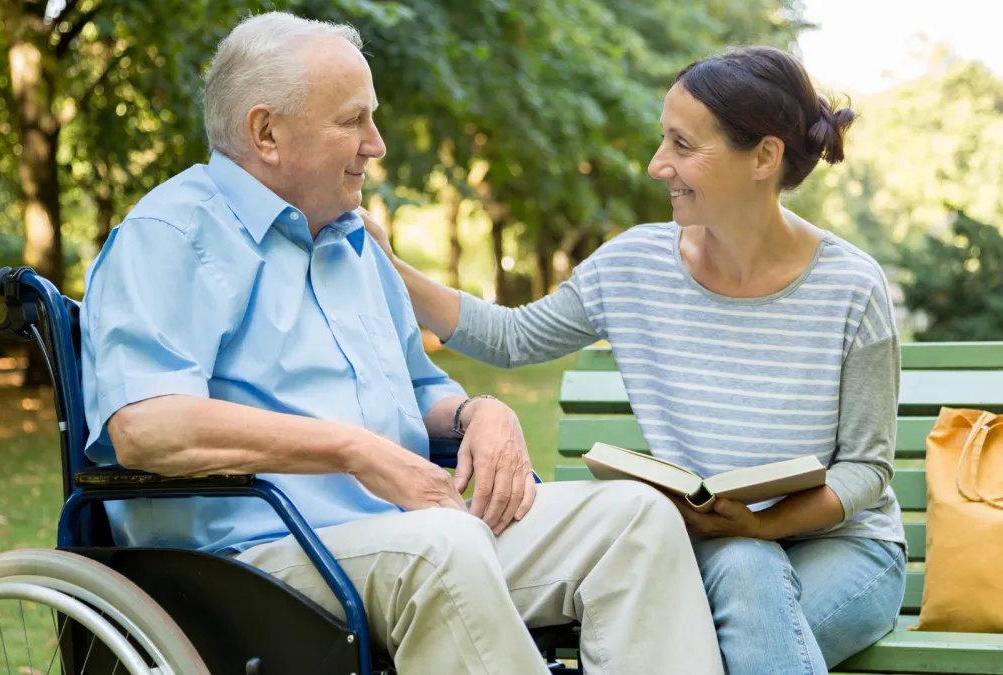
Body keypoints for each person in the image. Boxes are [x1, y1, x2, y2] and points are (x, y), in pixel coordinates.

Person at [79, 12, 723, 675]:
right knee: (442, 548)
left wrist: (481, 412)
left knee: (634, 519)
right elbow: (145, 426)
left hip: (409, 532)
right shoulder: (170, 234)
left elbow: (420, 390)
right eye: (352, 120)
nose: (377, 143)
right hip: (250, 561)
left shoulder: (354, 241)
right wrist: (353, 450)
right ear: (266, 132)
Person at [363, 45, 907, 674]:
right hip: (713, 551)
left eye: (682, 145)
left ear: (764, 156)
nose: (657, 166)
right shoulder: (635, 266)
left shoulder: (850, 285)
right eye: (662, 140)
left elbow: (866, 468)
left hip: (842, 552)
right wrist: (390, 267)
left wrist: (762, 526)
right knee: (741, 568)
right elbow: (511, 339)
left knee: (723, 613)